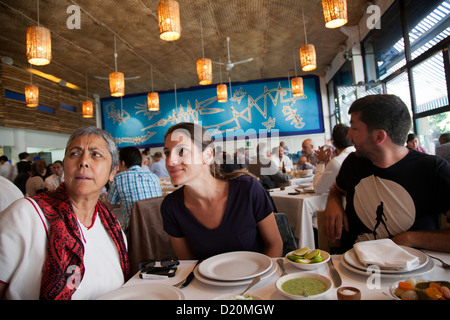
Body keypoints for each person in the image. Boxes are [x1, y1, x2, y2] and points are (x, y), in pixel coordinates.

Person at [0, 126, 129, 300]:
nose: (83, 161)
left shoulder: (113, 229)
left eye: (95, 154)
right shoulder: (25, 215)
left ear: (112, 171)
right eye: (74, 153)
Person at [323, 95, 450, 253]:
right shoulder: (353, 162)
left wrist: (410, 238)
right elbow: (337, 189)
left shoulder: (433, 170)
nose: (349, 135)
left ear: (379, 136)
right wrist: (333, 202)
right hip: (353, 269)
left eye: (354, 128)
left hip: (412, 273)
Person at [161, 122, 283, 260]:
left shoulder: (247, 189)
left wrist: (258, 279)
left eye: (181, 150)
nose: (170, 160)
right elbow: (187, 263)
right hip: (204, 281)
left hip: (258, 278)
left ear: (207, 155)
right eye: (167, 153)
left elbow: (275, 244)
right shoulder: (171, 206)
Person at [106, 146, 162, 231]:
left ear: (123, 163)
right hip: (158, 229)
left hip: (134, 233)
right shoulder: (154, 177)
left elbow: (108, 207)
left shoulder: (119, 178)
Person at [313, 124, 355, 195]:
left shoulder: (337, 161)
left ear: (334, 144)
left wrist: (321, 162)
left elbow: (318, 189)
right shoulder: (359, 154)